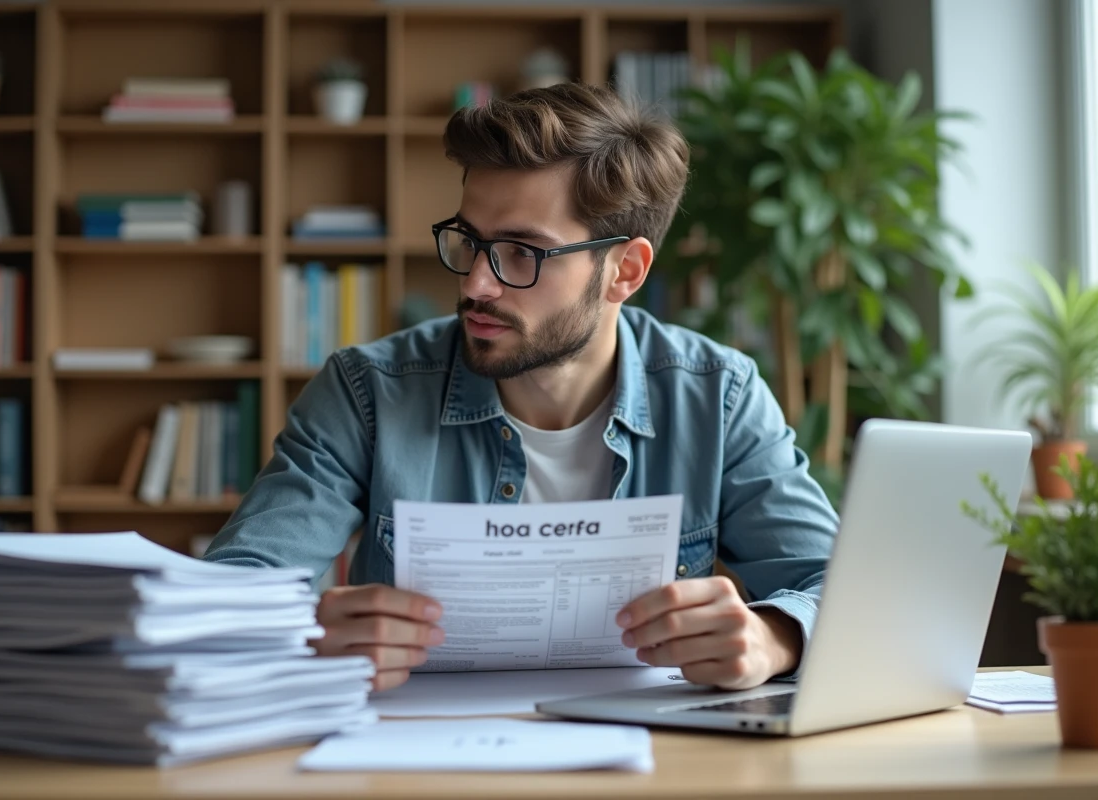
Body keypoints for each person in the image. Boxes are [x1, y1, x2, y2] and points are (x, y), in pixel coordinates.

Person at [204, 82, 838, 692]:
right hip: (420, 742)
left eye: (521, 252)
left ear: (625, 270)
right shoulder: (367, 391)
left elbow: (839, 587)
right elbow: (229, 592)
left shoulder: (719, 397)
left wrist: (773, 637)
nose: (475, 283)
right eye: (470, 242)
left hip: (652, 744)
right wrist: (305, 632)